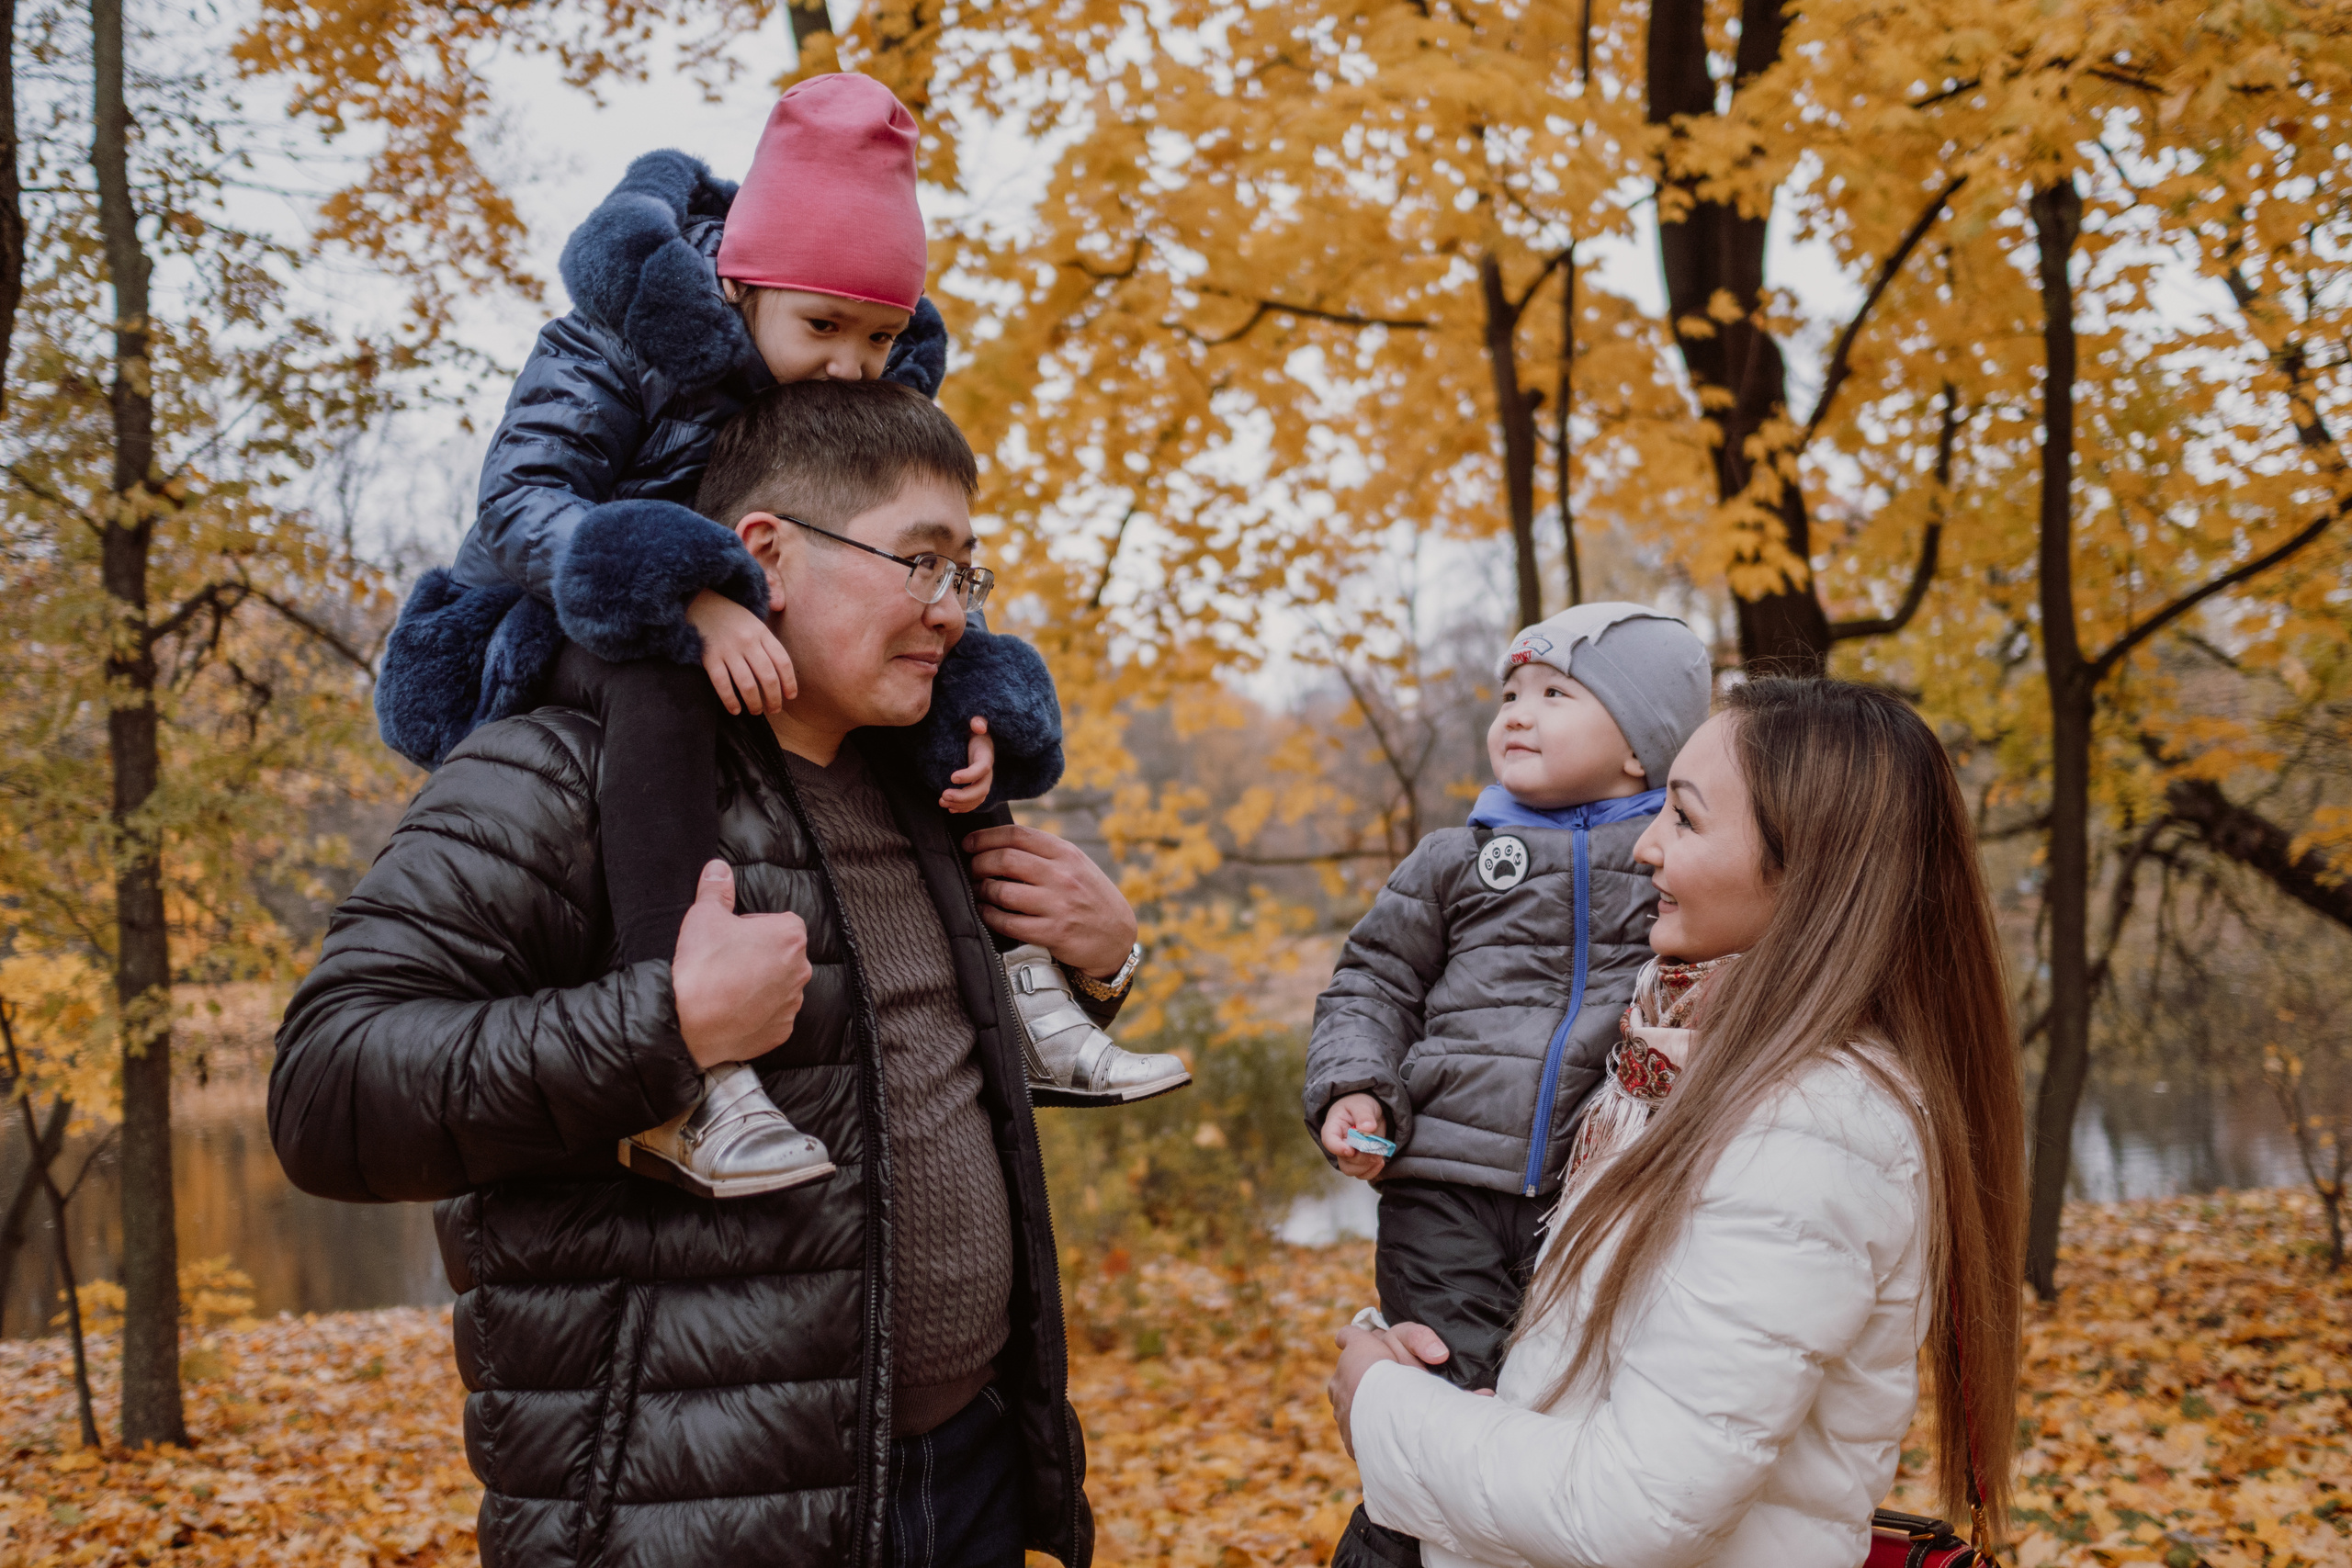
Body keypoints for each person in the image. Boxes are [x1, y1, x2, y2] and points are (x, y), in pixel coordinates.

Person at [272, 380, 1133, 1567]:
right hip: (697, 1517)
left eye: (968, 572)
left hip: (961, 1476)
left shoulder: (926, 796)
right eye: (921, 561)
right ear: (766, 552)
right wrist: (665, 1025)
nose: (953, 611)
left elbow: (901, 1093)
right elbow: (326, 1090)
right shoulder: (556, 770)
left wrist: (1099, 965)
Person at [371, 73, 1170, 1201]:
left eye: (882, 336)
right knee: (655, 680)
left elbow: (891, 556)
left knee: (941, 673)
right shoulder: (616, 339)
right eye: (825, 328)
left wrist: (976, 727)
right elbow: (519, 504)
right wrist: (682, 597)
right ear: (740, 286)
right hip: (545, 611)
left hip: (743, 618)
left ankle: (1030, 992)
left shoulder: (854, 401)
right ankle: (692, 1073)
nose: (852, 365)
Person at [1325, 678, 2027, 1568]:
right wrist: (1428, 1371)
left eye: (1684, 821)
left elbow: (1635, 1510)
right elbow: (1598, 1381)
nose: (1644, 848)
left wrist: (1384, 1409)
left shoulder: (1811, 1129)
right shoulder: (1680, 1056)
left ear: (1806, 872)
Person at [1302, 604, 1711, 1568]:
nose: (1517, 714)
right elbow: (1370, 983)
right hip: (1443, 1182)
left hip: (1594, 1195)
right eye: (1510, 694)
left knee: (1558, 1407)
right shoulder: (1454, 859)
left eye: (1556, 695)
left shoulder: (1671, 866)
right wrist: (1354, 1087)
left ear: (1642, 751)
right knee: (1444, 1395)